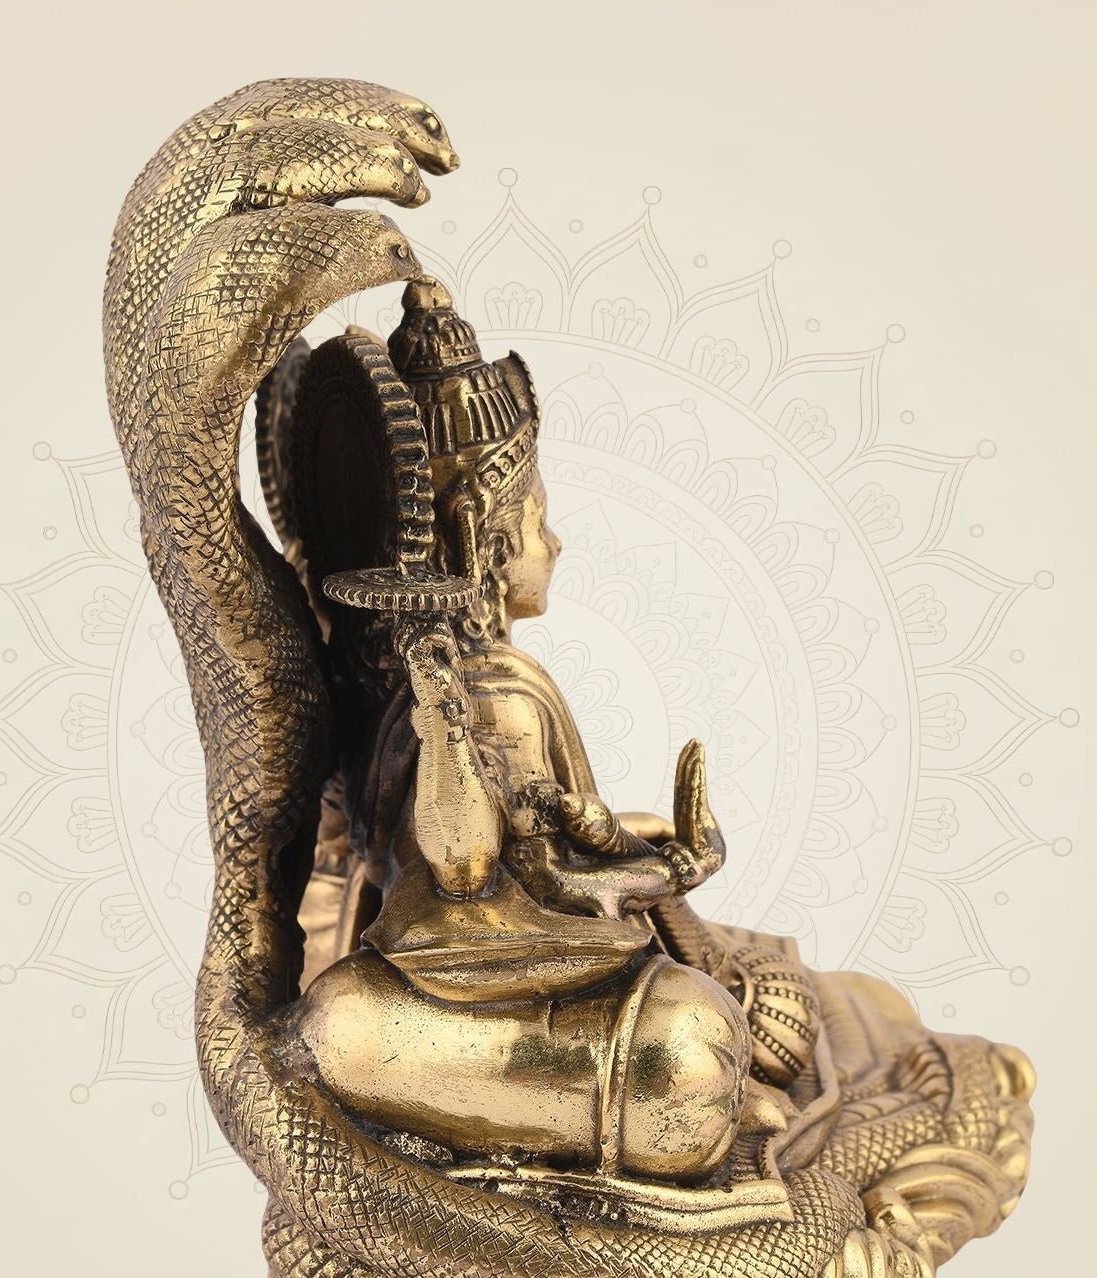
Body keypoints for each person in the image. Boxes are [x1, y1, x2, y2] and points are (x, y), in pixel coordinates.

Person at [291, 279, 802, 1182]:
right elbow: (479, 874)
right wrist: (666, 871)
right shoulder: (485, 695)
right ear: (481, 541)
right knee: (689, 1047)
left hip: (452, 994)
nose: (555, 543)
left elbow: (543, 846)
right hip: (476, 982)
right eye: (538, 519)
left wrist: (629, 844)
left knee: (339, 1026)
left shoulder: (455, 685)